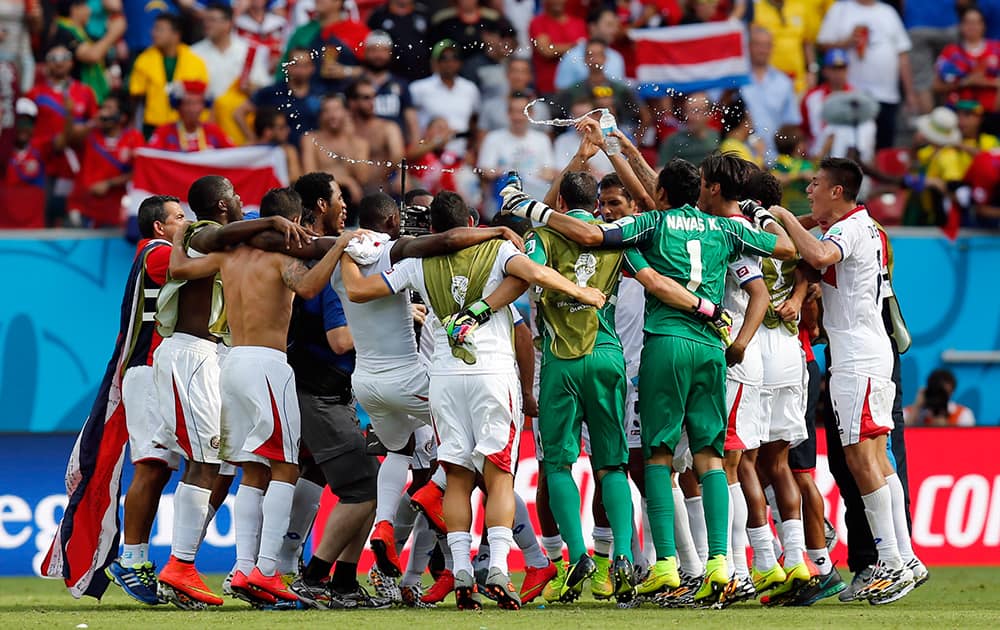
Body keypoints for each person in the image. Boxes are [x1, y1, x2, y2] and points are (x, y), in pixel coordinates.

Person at [499, 143, 797, 607]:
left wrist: (530, 208)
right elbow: (788, 247)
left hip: (659, 344)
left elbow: (596, 239)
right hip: (710, 349)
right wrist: (757, 213)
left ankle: (660, 566)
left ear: (657, 193)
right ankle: (721, 561)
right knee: (710, 457)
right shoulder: (723, 227)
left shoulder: (648, 226)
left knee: (655, 456)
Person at [339, 190, 607, 610]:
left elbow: (359, 292)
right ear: (469, 221)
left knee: (457, 477)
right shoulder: (498, 248)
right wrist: (580, 291)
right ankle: (499, 566)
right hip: (492, 373)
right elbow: (535, 273)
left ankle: (461, 570)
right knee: (498, 476)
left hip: (444, 379)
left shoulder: (417, 262)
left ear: (430, 230)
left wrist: (345, 252)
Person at [327, 182, 527, 597]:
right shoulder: (402, 251)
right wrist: (496, 230)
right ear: (392, 222)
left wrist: (343, 250)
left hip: (365, 382)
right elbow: (451, 239)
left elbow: (351, 289)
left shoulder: (340, 254)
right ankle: (509, 556)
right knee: (469, 465)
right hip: (421, 379)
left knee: (401, 452)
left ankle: (388, 529)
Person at [168, 184, 356, 605]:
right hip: (268, 366)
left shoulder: (228, 256)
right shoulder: (281, 258)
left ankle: (244, 568)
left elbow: (179, 270)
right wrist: (339, 246)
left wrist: (179, 236)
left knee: (252, 470)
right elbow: (308, 288)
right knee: (285, 468)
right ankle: (268, 570)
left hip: (232, 362)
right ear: (293, 221)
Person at [770, 158, 928, 604]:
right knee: (880, 460)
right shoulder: (865, 226)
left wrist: (781, 215)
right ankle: (906, 556)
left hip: (857, 356)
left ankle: (892, 562)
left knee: (862, 461)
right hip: (870, 352)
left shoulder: (849, 229)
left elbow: (818, 255)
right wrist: (787, 217)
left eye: (817, 184)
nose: (811, 190)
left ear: (838, 191)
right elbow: (817, 241)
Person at [151, 176, 310, 609]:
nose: (243, 201)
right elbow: (190, 259)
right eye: (236, 196)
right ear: (222, 205)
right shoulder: (207, 232)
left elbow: (182, 269)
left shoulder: (222, 245)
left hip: (215, 357)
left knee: (224, 465)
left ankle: (211, 565)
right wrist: (276, 220)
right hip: (194, 355)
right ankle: (181, 564)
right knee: (208, 463)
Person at [103, 196, 187, 605]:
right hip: (146, 369)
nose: (185, 223)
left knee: (161, 468)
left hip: (161, 369)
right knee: (151, 466)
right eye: (179, 218)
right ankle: (131, 559)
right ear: (159, 227)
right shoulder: (156, 253)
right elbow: (189, 266)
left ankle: (142, 558)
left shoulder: (162, 250)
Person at [817, 0, 917, 150]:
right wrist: (846, 42)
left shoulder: (888, 11)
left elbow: (902, 54)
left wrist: (910, 93)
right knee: (852, 147)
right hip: (852, 95)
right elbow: (821, 45)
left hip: (886, 94)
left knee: (883, 148)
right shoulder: (841, 9)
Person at [192, 2, 271, 145]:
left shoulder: (248, 50)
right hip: (206, 121)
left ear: (228, 23)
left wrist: (251, 88)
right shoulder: (194, 52)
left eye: (213, 20)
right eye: (206, 20)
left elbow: (264, 88)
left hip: (239, 122)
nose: (207, 24)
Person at [67, 91, 144, 228]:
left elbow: (140, 172)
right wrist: (92, 123)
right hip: (83, 209)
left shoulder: (134, 138)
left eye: (109, 109)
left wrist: (109, 184)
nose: (103, 113)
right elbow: (70, 139)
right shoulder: (90, 134)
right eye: (103, 108)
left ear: (122, 117)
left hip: (113, 212)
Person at [477, 92, 556, 219]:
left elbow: (550, 172)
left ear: (531, 114)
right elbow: (485, 170)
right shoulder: (493, 138)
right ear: (508, 114)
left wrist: (528, 177)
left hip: (534, 195)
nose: (518, 117)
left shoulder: (542, 140)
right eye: (514, 112)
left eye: (522, 112)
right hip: (503, 193)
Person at [130, 13, 209, 138]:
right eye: (154, 29)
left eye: (160, 29)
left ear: (176, 34)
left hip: (186, 126)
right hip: (152, 125)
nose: (154, 33)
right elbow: (136, 96)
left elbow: (202, 96)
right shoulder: (144, 59)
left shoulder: (195, 61)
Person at [800, 48, 877, 162]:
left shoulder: (857, 97)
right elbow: (803, 130)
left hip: (849, 157)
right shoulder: (811, 97)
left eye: (842, 68)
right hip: (816, 157)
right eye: (834, 68)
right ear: (825, 70)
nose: (838, 73)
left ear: (847, 69)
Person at [409, 39, 480, 157]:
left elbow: (474, 121)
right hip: (427, 155)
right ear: (435, 62)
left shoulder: (470, 89)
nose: (449, 62)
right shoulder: (419, 88)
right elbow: (410, 122)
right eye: (444, 58)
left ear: (460, 62)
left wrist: (471, 150)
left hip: (459, 155)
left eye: (454, 58)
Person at [741, 26, 802, 164]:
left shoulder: (784, 82)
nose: (762, 50)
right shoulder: (736, 80)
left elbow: (791, 124)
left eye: (766, 45)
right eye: (758, 44)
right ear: (749, 46)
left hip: (776, 159)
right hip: (742, 157)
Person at [241, 46, 322, 148]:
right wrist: (254, 138)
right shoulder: (273, 92)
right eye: (296, 65)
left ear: (312, 68)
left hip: (313, 152)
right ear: (288, 67)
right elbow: (239, 113)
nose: (301, 70)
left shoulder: (320, 94)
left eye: (305, 65)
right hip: (279, 153)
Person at [49, 0, 126, 103]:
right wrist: (113, 33)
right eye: (86, 6)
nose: (89, 10)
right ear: (74, 9)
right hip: (72, 100)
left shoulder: (79, 32)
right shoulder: (64, 32)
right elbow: (91, 56)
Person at [300, 94, 370, 207]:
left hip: (351, 200)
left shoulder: (359, 143)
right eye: (327, 111)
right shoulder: (310, 139)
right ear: (321, 115)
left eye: (336, 109)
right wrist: (347, 181)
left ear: (346, 112)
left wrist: (350, 141)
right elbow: (309, 175)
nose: (332, 115)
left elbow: (362, 178)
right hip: (320, 199)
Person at [933, 7, 1000, 121]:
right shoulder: (951, 52)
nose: (971, 26)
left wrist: (987, 82)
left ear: (983, 25)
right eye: (967, 22)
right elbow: (936, 87)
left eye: (976, 22)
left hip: (991, 115)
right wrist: (965, 82)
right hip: (957, 115)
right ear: (960, 26)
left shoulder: (997, 49)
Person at [346, 78, 404, 195]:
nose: (372, 102)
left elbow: (398, 157)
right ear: (352, 102)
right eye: (366, 98)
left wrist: (400, 176)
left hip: (383, 186)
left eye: (374, 97)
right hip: (351, 188)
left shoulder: (388, 128)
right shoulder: (344, 129)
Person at [359, 30, 419, 142]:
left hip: (396, 147)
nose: (378, 55)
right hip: (363, 145)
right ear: (365, 52)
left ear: (390, 53)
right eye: (374, 50)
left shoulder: (401, 85)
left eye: (383, 50)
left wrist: (415, 146)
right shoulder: (356, 84)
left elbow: (412, 121)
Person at [2, 98, 51, 228]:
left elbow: (64, 140)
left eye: (28, 123)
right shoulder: (3, 150)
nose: (23, 127)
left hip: (32, 227)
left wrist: (69, 113)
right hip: (4, 227)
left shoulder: (41, 148)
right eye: (19, 122)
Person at [148, 81, 234, 152]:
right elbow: (150, 157)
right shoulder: (164, 132)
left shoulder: (214, 131)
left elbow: (233, 154)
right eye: (188, 103)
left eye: (197, 103)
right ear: (178, 106)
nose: (193, 109)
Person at [554, 6, 626, 90]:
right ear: (593, 27)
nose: (614, 30)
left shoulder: (616, 57)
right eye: (609, 25)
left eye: (615, 26)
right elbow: (562, 92)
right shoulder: (572, 57)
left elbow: (619, 93)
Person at [530, 0, 587, 96]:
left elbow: (586, 50)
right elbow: (546, 51)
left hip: (578, 86)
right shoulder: (538, 23)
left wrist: (560, 47)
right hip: (549, 86)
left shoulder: (579, 23)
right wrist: (575, 46)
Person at [366, 0, 432, 82]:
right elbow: (370, 44)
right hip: (389, 78)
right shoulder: (378, 15)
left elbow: (432, 44)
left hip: (422, 77)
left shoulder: (423, 13)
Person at [658, 93, 719, 168]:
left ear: (709, 115)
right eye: (688, 111)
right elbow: (660, 172)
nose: (690, 117)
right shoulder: (672, 141)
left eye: (696, 111)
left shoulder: (717, 136)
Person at [904, 369, 977, 427]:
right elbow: (900, 437)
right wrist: (917, 406)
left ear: (952, 391)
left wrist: (945, 427)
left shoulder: (963, 414)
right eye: (936, 391)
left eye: (942, 393)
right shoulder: (908, 412)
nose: (939, 397)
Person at [234, 0, 289, 74]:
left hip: (274, 71)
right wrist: (239, 10)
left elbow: (287, 46)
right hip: (246, 70)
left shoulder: (279, 22)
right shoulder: (237, 23)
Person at [253, 107, 302, 183]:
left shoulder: (289, 151)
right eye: (282, 127)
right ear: (267, 131)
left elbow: (295, 178)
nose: (288, 130)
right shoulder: (247, 151)